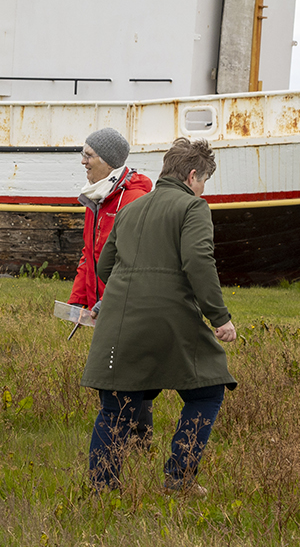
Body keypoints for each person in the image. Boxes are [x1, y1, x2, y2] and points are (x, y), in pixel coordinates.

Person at [82, 137, 237, 497]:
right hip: (171, 322)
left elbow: (104, 266)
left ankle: (102, 489)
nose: (201, 189)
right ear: (193, 175)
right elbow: (198, 262)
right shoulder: (193, 208)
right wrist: (219, 318)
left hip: (118, 323)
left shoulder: (130, 209)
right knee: (208, 390)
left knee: (117, 407)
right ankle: (179, 479)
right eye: (203, 182)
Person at [70, 127, 153, 309]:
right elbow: (89, 254)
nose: (83, 161)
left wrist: (109, 301)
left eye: (88, 155)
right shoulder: (96, 198)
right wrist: (78, 299)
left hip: (125, 307)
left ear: (108, 162)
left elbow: (137, 263)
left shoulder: (134, 200)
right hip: (102, 308)